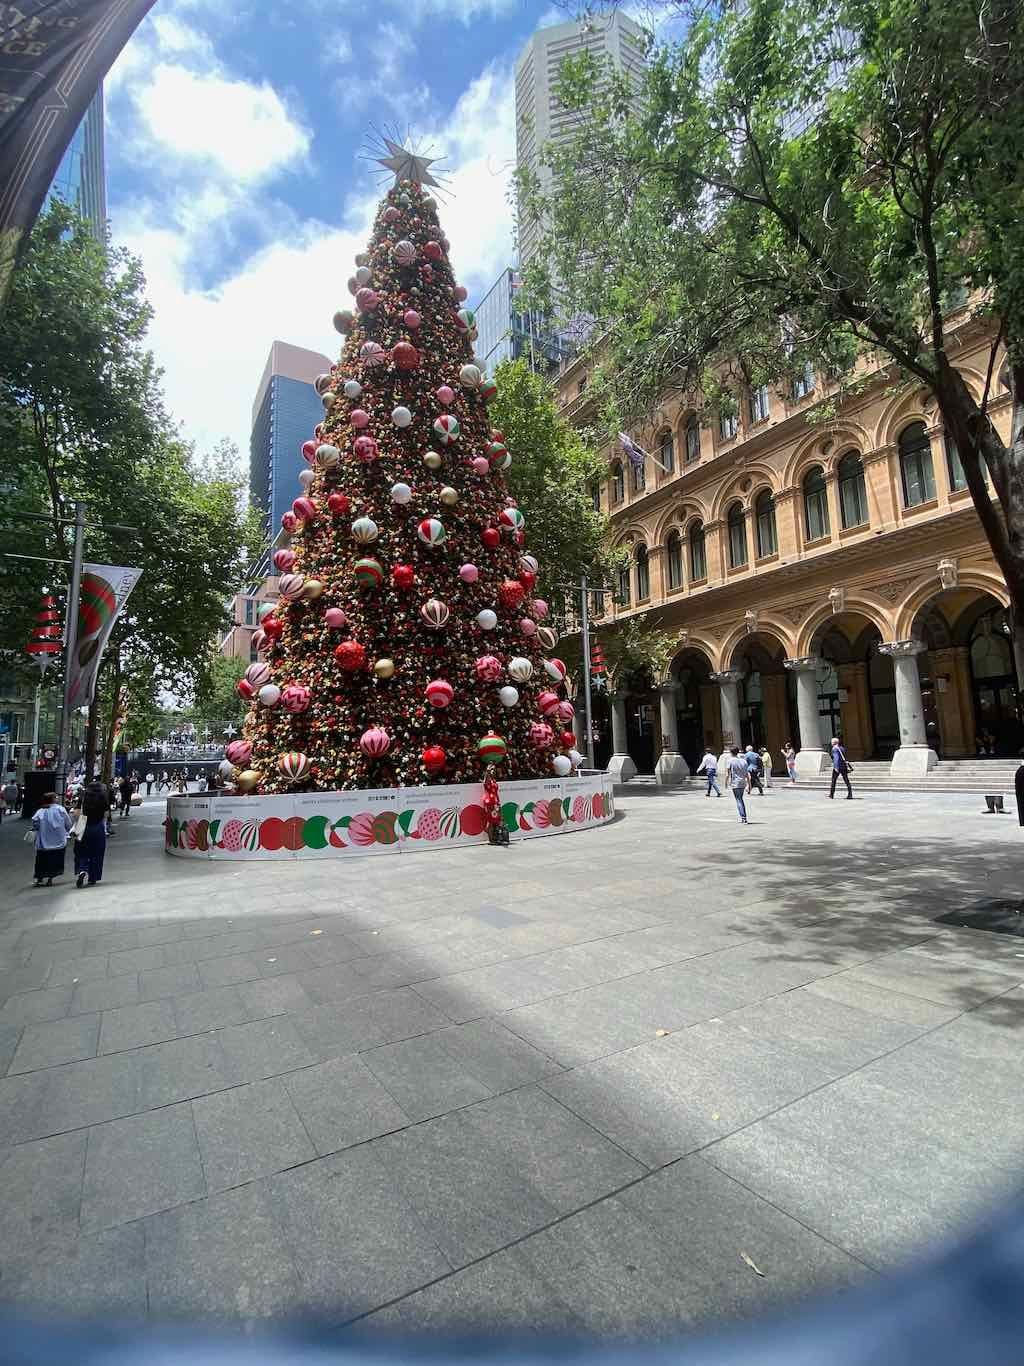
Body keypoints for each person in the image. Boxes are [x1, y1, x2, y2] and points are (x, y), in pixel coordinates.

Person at [30, 791, 72, 887]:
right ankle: (50, 878)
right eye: (56, 797)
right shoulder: (60, 809)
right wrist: (69, 831)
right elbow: (68, 823)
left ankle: (39, 878)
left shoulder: (40, 811)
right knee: (55, 859)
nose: (57, 799)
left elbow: (35, 824)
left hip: (43, 841)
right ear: (53, 799)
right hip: (58, 839)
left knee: (41, 860)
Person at [75, 780, 109, 887]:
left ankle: (82, 870)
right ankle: (93, 877)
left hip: (84, 826)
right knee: (97, 853)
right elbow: (106, 814)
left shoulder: (83, 797)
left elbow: (76, 814)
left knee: (82, 850)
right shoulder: (103, 797)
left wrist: (78, 823)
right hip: (98, 826)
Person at [482, 771, 508, 846]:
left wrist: (498, 802)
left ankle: (496, 838)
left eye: (493, 770)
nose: (493, 771)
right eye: (492, 770)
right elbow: (485, 781)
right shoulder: (487, 781)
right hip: (489, 802)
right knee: (491, 822)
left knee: (497, 821)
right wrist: (487, 772)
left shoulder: (494, 780)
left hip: (495, 802)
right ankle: (491, 840)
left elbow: (496, 792)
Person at [727, 747, 750, 824]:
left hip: (735, 782)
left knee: (738, 800)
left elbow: (728, 773)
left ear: (731, 752)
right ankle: (744, 817)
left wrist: (726, 783)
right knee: (740, 799)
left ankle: (743, 817)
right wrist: (748, 784)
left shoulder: (730, 760)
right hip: (743, 782)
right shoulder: (743, 761)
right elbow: (747, 774)